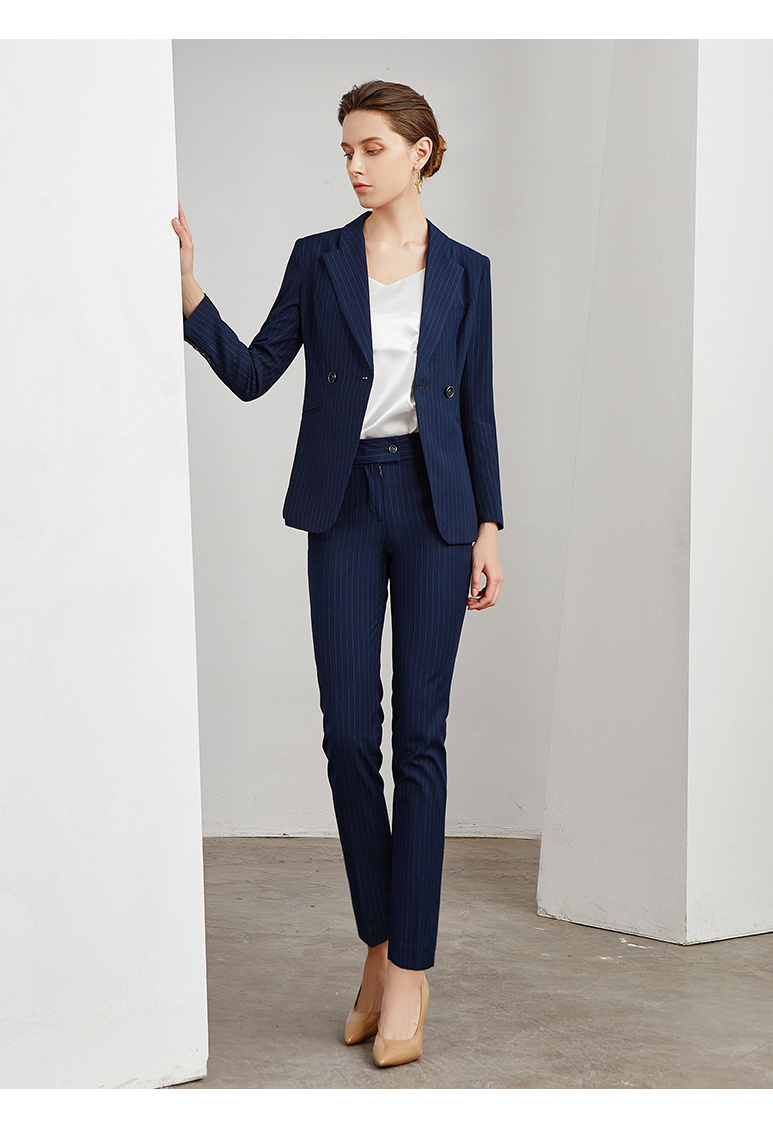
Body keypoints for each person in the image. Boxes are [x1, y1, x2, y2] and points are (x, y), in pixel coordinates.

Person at [172, 79, 504, 1069]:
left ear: (420, 151)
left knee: (422, 739)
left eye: (371, 148)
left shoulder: (468, 271)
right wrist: (189, 294)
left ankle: (409, 969)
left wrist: (490, 526)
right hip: (346, 504)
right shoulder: (317, 259)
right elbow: (251, 371)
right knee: (349, 732)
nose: (355, 166)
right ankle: (379, 943)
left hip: (439, 512)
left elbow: (478, 407)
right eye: (346, 151)